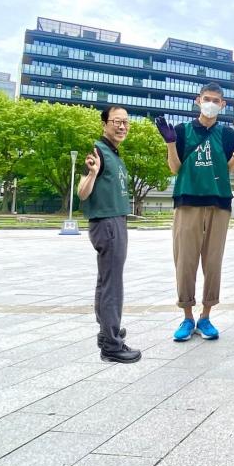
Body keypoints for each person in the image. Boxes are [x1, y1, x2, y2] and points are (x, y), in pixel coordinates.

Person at [155, 83, 234, 342]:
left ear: (223, 104)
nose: (211, 103)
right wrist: (171, 143)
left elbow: (227, 168)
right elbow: (175, 168)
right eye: (206, 99)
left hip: (218, 203)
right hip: (188, 201)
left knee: (213, 262)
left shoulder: (227, 134)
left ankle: (206, 316)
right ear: (198, 100)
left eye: (216, 100)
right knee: (185, 260)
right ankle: (187, 317)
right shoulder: (182, 131)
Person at [77, 105, 140, 364]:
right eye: (116, 121)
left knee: (107, 281)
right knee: (112, 284)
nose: (122, 126)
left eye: (125, 122)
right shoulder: (99, 151)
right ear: (105, 124)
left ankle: (107, 333)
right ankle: (112, 345)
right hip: (107, 222)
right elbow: (82, 192)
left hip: (115, 220)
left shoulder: (113, 152)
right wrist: (92, 174)